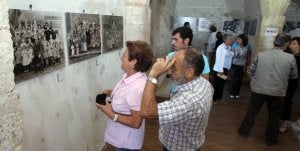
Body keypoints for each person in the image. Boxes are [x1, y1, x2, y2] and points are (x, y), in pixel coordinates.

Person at [141, 48, 214, 151]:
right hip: (189, 142)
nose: (169, 71)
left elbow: (146, 111)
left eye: (173, 67)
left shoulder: (190, 100)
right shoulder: (203, 82)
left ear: (189, 72)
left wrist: (153, 74)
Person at [238, 33, 298, 146]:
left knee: (252, 112)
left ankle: (244, 132)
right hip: (278, 92)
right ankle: (271, 140)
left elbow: (250, 72)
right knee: (274, 116)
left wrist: (255, 82)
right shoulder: (291, 58)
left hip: (259, 89)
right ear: (286, 44)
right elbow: (294, 76)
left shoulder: (261, 55)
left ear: (274, 42)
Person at [96, 40, 153, 151]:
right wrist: (113, 93)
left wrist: (110, 113)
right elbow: (129, 99)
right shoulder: (130, 76)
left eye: (124, 55)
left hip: (126, 143)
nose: (121, 58)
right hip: (120, 138)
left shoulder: (136, 88)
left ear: (134, 62)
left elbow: (136, 122)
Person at [279, 37, 300, 132]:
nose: (291, 46)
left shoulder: (298, 58)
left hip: (291, 83)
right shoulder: (288, 55)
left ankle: (285, 123)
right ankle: (276, 120)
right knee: (278, 101)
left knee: (287, 102)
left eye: (294, 44)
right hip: (282, 81)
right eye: (291, 43)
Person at [212, 33, 234, 103]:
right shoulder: (221, 48)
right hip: (219, 69)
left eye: (231, 39)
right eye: (230, 39)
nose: (232, 40)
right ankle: (214, 99)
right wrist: (221, 70)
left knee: (222, 84)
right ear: (225, 40)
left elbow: (231, 56)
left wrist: (232, 52)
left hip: (225, 69)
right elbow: (219, 60)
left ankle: (219, 98)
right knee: (217, 84)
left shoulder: (229, 47)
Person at [229, 34, 251, 99]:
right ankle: (231, 92)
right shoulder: (235, 45)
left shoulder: (248, 46)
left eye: (239, 39)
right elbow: (231, 55)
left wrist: (247, 65)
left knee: (239, 79)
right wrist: (234, 55)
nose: (238, 40)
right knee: (233, 79)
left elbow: (248, 56)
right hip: (234, 64)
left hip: (242, 65)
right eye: (238, 39)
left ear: (243, 40)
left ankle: (237, 93)